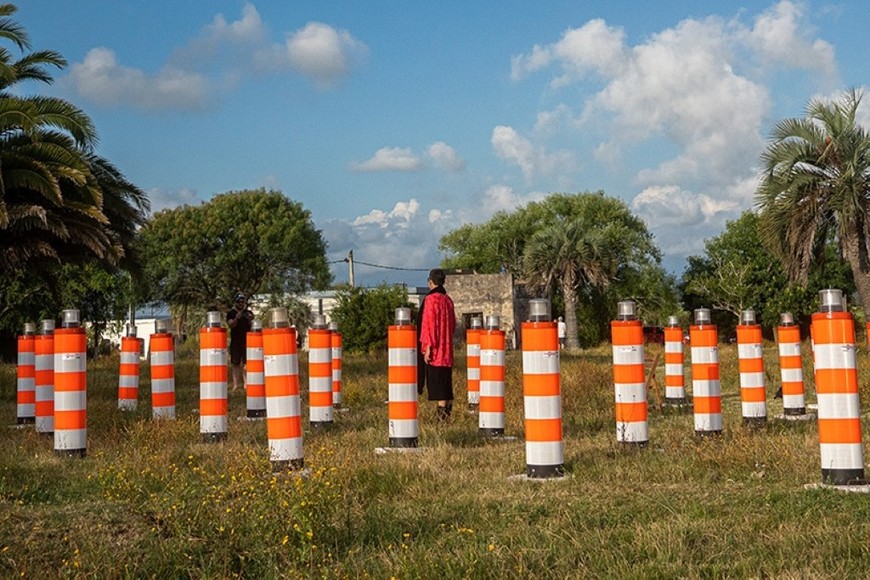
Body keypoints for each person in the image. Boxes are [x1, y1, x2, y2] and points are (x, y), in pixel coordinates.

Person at [417, 268, 456, 421]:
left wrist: (428, 347)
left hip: (435, 349)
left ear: (430, 282)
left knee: (437, 383)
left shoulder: (430, 300)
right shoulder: (448, 300)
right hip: (446, 348)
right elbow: (452, 324)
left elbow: (429, 324)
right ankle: (446, 412)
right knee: (446, 381)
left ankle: (442, 416)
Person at [227, 292, 254, 390]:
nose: (241, 304)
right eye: (239, 302)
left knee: (247, 363)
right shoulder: (231, 313)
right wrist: (236, 319)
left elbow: (253, 326)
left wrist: (251, 320)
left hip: (247, 341)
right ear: (235, 302)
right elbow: (231, 325)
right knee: (235, 363)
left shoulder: (248, 313)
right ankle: (235, 384)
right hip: (235, 341)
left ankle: (246, 384)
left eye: (243, 302)